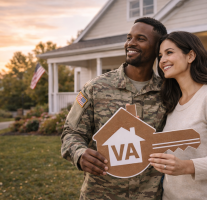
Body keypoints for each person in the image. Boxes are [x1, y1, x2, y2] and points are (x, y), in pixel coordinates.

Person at [61, 17, 167, 199]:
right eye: (129, 37)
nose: (130, 43)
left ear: (158, 49)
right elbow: (71, 132)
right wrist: (79, 154)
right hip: (101, 193)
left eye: (140, 39)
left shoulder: (168, 92)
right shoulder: (96, 87)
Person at [148, 31, 207, 200]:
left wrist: (186, 166)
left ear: (190, 56)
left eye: (169, 52)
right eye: (160, 55)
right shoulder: (173, 103)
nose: (162, 60)